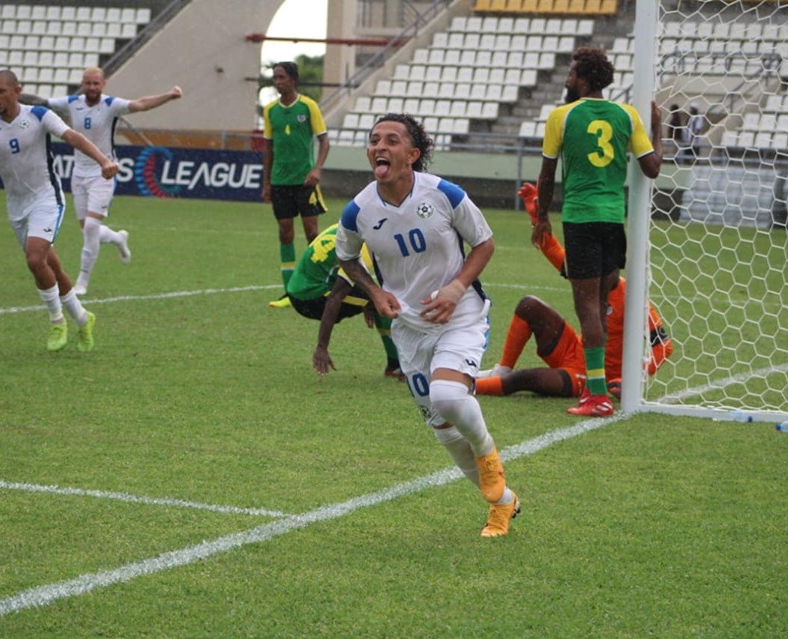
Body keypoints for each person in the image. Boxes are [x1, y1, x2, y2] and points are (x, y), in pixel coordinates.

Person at [334, 113, 520, 538]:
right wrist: (374, 292)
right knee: (443, 430)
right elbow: (346, 257)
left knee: (449, 395)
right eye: (374, 140)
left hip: (460, 314)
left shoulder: (444, 194)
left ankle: (489, 456)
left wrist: (457, 287)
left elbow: (484, 242)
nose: (380, 146)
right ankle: (502, 504)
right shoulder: (358, 210)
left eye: (392, 140)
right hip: (409, 327)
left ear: (413, 155)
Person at [0, 70, 118, 351]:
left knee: (35, 260)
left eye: (0, 91)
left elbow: (73, 137)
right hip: (16, 205)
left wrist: (103, 161)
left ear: (16, 91)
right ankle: (83, 319)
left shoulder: (38, 115)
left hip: (47, 198)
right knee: (52, 266)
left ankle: (57, 321)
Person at [534, 47, 662, 417]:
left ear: (585, 78)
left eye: (572, 74)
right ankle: (602, 386)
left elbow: (546, 175)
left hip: (580, 218)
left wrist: (542, 216)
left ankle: (596, 396)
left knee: (587, 307)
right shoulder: (627, 115)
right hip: (613, 219)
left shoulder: (562, 116)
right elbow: (652, 168)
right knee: (602, 306)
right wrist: (659, 126)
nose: (566, 79)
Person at [476, 184, 672, 399]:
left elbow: (663, 346)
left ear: (617, 263)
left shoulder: (631, 298)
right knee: (528, 305)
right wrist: (537, 218)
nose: (596, 266)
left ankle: (470, 387)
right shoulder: (588, 277)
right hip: (571, 349)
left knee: (527, 379)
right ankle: (502, 369)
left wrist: (632, 380)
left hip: (589, 375)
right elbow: (553, 251)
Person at [21, 67, 183, 295]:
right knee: (88, 229)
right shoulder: (72, 102)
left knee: (90, 227)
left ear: (103, 84)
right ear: (83, 83)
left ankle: (82, 282)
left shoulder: (111, 105)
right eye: (88, 83)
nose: (92, 88)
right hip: (79, 174)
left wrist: (169, 95)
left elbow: (140, 104)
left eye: (96, 84)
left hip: (104, 172)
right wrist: (14, 94)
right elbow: (43, 102)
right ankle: (118, 238)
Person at [285, 222, 403, 379]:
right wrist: (322, 347)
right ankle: (396, 366)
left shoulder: (343, 228)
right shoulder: (360, 251)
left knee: (375, 299)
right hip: (311, 298)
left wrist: (366, 300)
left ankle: (395, 365)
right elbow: (335, 297)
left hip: (297, 289)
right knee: (385, 303)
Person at [262, 61, 331, 309]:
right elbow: (268, 147)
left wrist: (316, 170)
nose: (277, 82)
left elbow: (324, 142)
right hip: (280, 182)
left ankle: (319, 286)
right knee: (285, 234)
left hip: (304, 182)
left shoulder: (308, 106)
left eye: (281, 77)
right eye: (275, 78)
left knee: (313, 234)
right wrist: (267, 182)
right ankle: (290, 292)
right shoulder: (270, 110)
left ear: (293, 79)